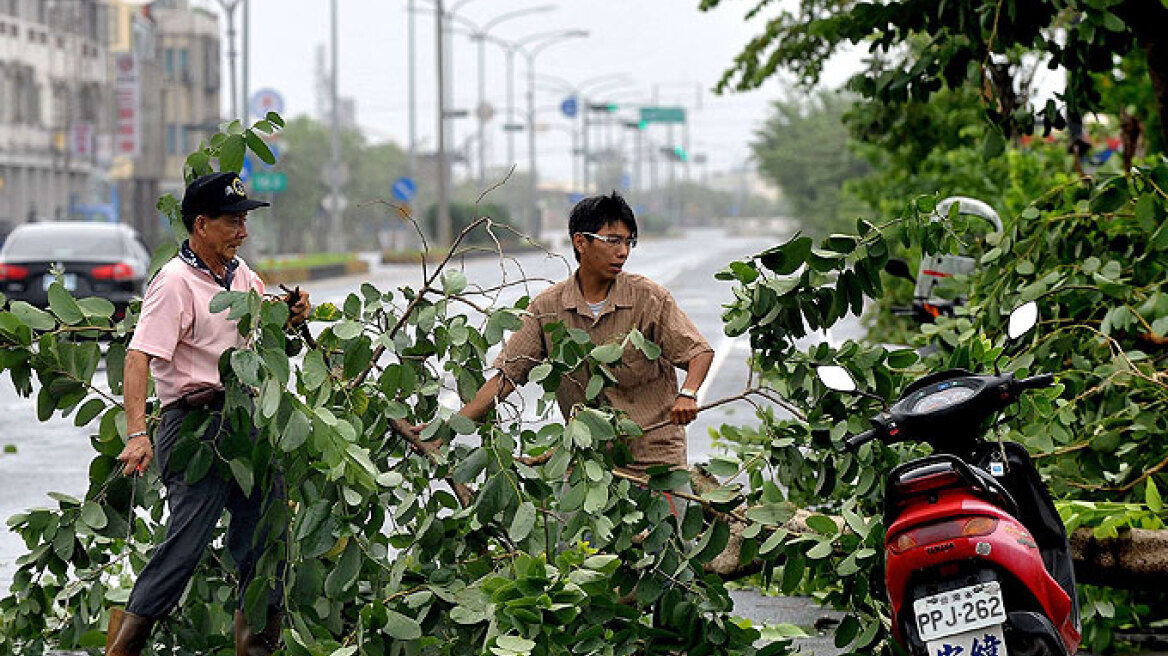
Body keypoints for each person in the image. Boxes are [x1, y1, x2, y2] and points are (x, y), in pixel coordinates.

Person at [106, 172, 310, 656]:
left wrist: (293, 317)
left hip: (247, 425)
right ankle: (121, 651)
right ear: (202, 224)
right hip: (195, 429)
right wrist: (137, 433)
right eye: (233, 222)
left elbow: (266, 342)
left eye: (244, 221)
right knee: (183, 549)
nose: (243, 231)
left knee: (266, 544)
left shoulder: (243, 278)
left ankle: (256, 649)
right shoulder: (173, 283)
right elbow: (138, 359)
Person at [438, 191, 714, 475]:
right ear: (580, 242)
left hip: (656, 462)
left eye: (628, 242)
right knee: (565, 519)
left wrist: (688, 393)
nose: (623, 252)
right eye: (613, 240)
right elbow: (507, 377)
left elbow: (699, 352)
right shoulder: (548, 307)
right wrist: (447, 430)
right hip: (588, 465)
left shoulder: (649, 297)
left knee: (667, 518)